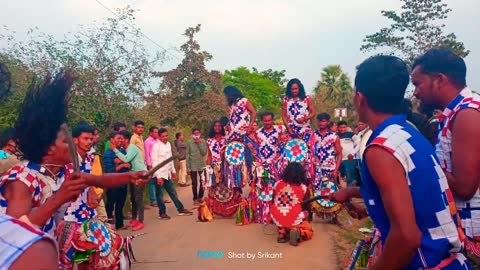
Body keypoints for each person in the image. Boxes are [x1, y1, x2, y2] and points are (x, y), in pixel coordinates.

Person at [332, 55, 469, 269]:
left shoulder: (380, 149)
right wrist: (354, 193)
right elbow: (415, 192)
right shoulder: (407, 134)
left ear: (360, 98)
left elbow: (407, 238)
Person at [412, 47, 480, 262]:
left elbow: (464, 188)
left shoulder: (467, 114)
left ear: (439, 80)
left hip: (471, 235)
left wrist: (423, 162)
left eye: (417, 84)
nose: (415, 92)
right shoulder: (453, 115)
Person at [151, 128, 193, 219]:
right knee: (160, 195)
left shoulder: (168, 144)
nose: (165, 137)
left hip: (168, 173)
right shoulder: (156, 146)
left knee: (173, 192)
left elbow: (170, 160)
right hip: (159, 174)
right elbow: (154, 162)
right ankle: (162, 213)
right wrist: (158, 176)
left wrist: (173, 171)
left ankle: (180, 209)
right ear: (159, 137)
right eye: (163, 136)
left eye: (166, 136)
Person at [110, 130, 147, 231]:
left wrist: (115, 151)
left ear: (126, 139)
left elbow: (126, 159)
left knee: (138, 199)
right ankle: (134, 219)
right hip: (134, 174)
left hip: (140, 174)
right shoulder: (126, 148)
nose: (120, 140)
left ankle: (141, 221)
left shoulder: (132, 148)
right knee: (134, 198)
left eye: (122, 138)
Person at [310, 113, 343, 222]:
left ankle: (334, 216)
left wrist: (336, 170)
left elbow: (339, 154)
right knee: (314, 191)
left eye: (323, 121)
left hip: (330, 168)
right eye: (319, 121)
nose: (321, 123)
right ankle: (311, 214)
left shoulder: (334, 136)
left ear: (328, 122)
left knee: (333, 192)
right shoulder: (312, 135)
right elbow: (309, 151)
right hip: (316, 168)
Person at [271, 162, 313, 246]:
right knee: (309, 229)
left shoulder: (277, 184)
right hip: (294, 217)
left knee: (281, 213)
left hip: (277, 216)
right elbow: (306, 207)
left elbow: (273, 201)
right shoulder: (304, 188)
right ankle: (298, 232)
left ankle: (282, 233)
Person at [255, 111, 285, 223]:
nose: (267, 122)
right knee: (263, 188)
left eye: (269, 120)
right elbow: (255, 149)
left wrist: (275, 161)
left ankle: (276, 214)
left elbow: (281, 147)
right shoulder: (257, 133)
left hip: (275, 166)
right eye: (265, 120)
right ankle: (264, 214)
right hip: (262, 166)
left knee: (276, 189)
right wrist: (260, 163)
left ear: (272, 120)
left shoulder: (279, 131)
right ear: (262, 121)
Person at [104, 132, 130, 230]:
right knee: (110, 203)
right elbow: (109, 171)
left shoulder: (123, 151)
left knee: (120, 204)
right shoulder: (108, 154)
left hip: (123, 182)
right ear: (111, 140)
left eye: (121, 139)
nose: (120, 141)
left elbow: (129, 164)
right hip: (113, 182)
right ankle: (108, 226)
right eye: (118, 138)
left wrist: (124, 164)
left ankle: (120, 224)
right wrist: (122, 165)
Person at [186, 128, 208, 205]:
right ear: (192, 134)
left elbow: (204, 152)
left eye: (197, 133)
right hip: (193, 165)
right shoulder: (189, 142)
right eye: (195, 133)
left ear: (200, 134)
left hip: (201, 165)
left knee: (203, 181)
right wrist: (188, 168)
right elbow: (187, 155)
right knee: (194, 183)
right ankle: (195, 198)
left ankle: (200, 197)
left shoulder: (203, 141)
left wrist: (199, 144)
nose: (196, 135)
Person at [337, 121, 360, 186]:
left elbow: (359, 144)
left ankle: (350, 193)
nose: (342, 129)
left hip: (349, 159)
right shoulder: (335, 135)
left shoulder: (351, 134)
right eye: (340, 127)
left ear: (346, 127)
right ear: (338, 128)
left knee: (350, 178)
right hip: (338, 160)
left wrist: (352, 153)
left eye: (344, 127)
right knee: (340, 178)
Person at [145, 126, 159, 206]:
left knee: (158, 181)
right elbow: (147, 154)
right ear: (151, 133)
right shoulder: (148, 141)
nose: (157, 133)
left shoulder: (157, 140)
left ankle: (159, 198)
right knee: (152, 182)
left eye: (157, 132)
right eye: (155, 132)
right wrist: (149, 165)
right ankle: (153, 200)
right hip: (152, 165)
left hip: (158, 164)